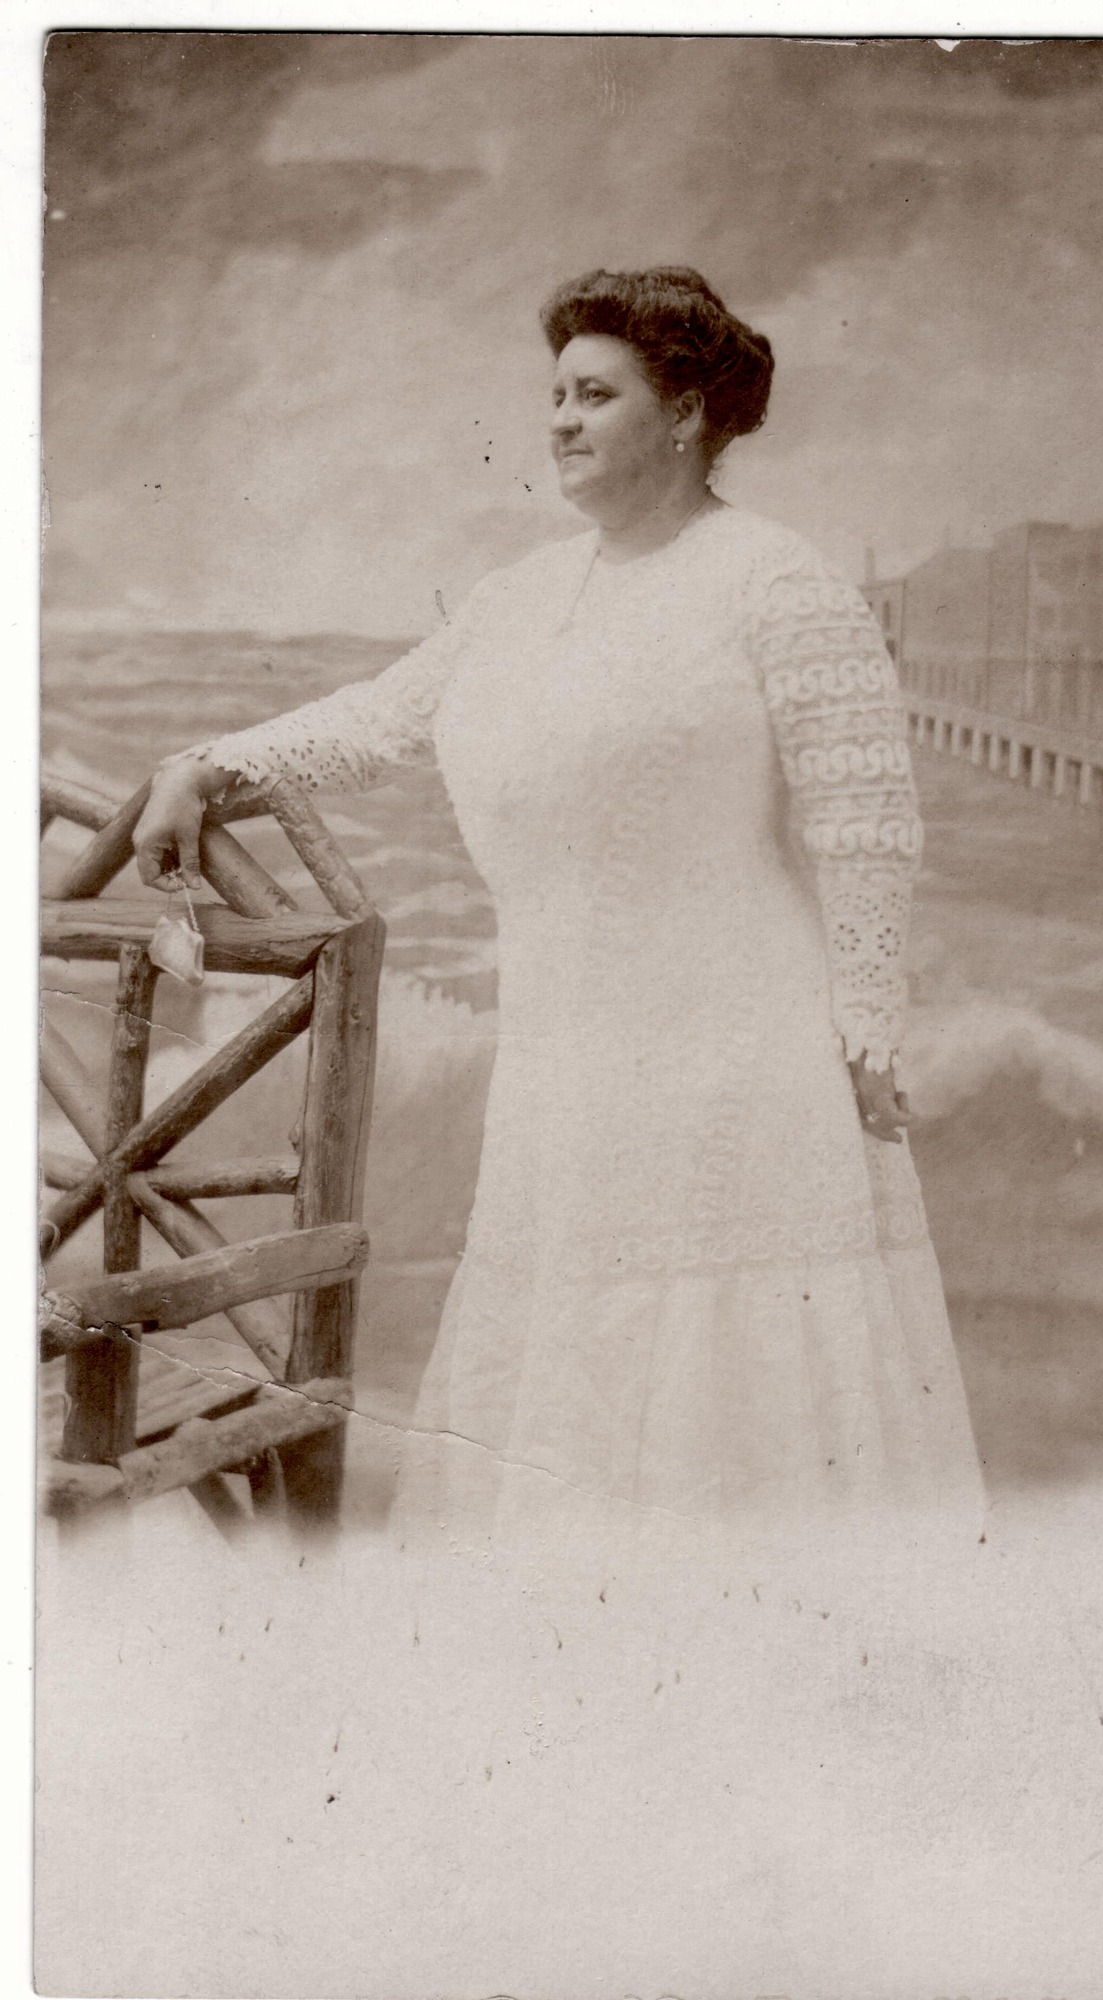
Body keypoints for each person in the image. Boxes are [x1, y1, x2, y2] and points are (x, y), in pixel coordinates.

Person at [134, 266, 983, 1537]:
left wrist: (865, 1016)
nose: (562, 422)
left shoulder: (778, 583)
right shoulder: (519, 597)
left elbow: (865, 815)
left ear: (687, 411)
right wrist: (212, 762)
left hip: (734, 1046)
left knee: (723, 1362)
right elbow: (381, 719)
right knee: (580, 1351)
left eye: (596, 394)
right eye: (555, 397)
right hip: (568, 1049)